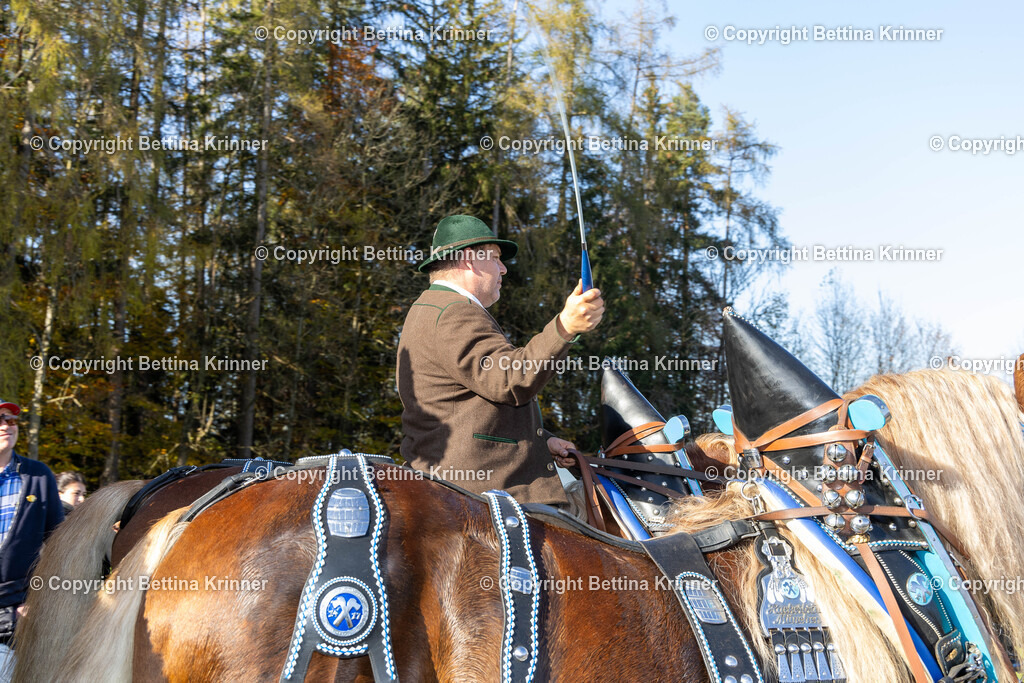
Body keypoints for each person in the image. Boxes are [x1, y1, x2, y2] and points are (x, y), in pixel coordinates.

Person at [396, 214, 604, 513]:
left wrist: (540, 442)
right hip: (487, 497)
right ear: (469, 259)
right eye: (495, 258)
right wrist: (564, 327)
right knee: (618, 522)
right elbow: (509, 380)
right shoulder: (454, 311)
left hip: (467, 489)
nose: (504, 268)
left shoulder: (435, 309)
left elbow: (464, 409)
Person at [0, 400, 64, 680]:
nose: (7, 426)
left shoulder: (39, 476)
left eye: (12, 420)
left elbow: (60, 547)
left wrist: (39, 600)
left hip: (15, 616)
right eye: (0, 419)